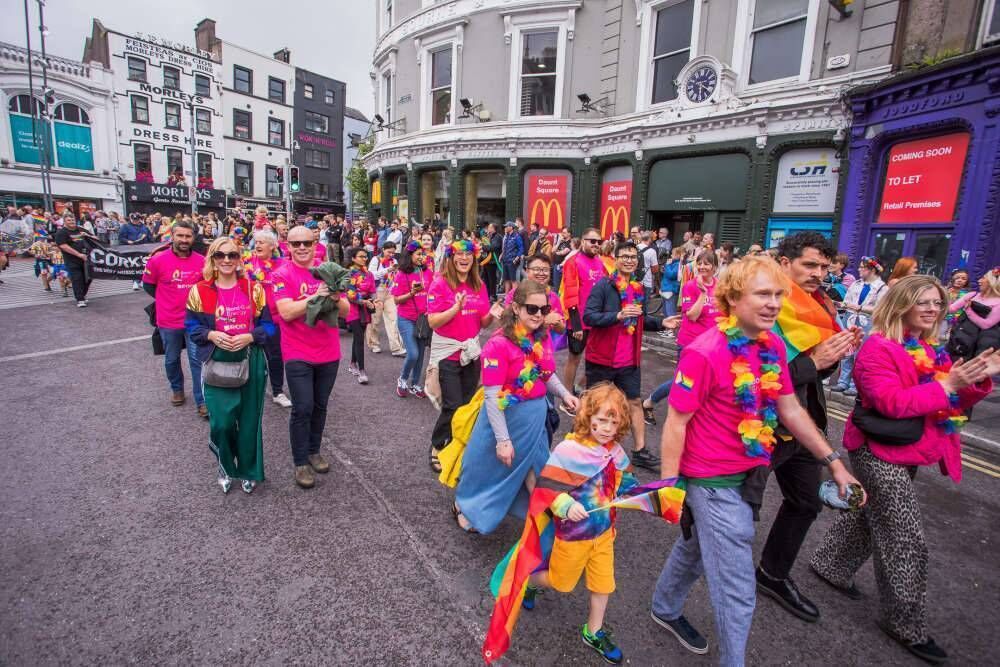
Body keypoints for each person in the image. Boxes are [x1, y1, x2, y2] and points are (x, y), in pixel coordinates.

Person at [650, 256, 865, 666]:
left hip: (749, 473)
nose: (773, 304)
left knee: (696, 548)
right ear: (733, 298)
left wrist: (833, 462)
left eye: (778, 295)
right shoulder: (703, 352)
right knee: (737, 588)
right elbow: (676, 423)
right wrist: (668, 487)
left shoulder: (773, 345)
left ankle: (664, 606)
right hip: (710, 483)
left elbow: (791, 409)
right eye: (762, 294)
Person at [811, 275, 997, 665]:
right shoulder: (878, 348)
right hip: (878, 453)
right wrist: (947, 384)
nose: (932, 310)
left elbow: (952, 395)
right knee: (905, 538)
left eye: (937, 303)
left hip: (909, 451)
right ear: (901, 305)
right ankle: (905, 622)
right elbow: (890, 403)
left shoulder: (929, 348)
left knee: (870, 517)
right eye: (923, 302)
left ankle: (830, 564)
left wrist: (976, 377)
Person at [485, 383, 636, 665]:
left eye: (613, 422)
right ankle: (526, 581)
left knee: (603, 585)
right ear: (588, 416)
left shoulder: (615, 451)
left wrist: (643, 494)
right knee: (561, 583)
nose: (606, 428)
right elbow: (546, 490)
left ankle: (593, 631)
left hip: (603, 535)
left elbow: (625, 481)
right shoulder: (569, 450)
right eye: (601, 420)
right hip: (573, 537)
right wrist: (566, 505)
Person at [756, 232, 860, 623]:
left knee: (805, 502)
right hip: (762, 427)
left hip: (803, 423)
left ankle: (772, 574)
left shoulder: (818, 307)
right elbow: (754, 374)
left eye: (823, 266)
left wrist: (833, 355)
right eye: (810, 265)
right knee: (734, 510)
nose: (819, 273)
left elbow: (816, 371)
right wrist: (812, 363)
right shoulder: (764, 302)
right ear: (785, 263)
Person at [453, 281, 579, 533]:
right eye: (532, 309)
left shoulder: (540, 338)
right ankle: (464, 505)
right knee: (484, 468)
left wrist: (566, 395)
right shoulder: (498, 345)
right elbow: (491, 396)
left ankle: (547, 527)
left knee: (537, 471)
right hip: (503, 417)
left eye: (544, 310)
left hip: (533, 420)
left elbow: (546, 374)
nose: (538, 315)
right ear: (516, 308)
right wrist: (502, 440)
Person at [186, 237, 274, 494]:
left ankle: (248, 470)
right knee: (222, 423)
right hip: (216, 361)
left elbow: (269, 327)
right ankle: (225, 466)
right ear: (212, 259)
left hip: (251, 360)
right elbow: (192, 327)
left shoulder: (254, 289)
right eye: (220, 255)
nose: (226, 260)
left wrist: (251, 336)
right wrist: (211, 335)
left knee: (248, 423)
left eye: (232, 255)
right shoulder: (199, 290)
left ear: (239, 259)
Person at [583, 241, 678, 470]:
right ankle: (587, 450)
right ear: (615, 259)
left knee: (635, 402)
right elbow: (589, 317)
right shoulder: (603, 286)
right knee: (596, 404)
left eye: (633, 257)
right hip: (602, 359)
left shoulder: (637, 289)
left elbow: (641, 318)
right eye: (624, 256)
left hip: (629, 360)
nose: (629, 260)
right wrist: (617, 315)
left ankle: (640, 451)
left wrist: (660, 322)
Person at [273, 225, 350, 489]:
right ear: (288, 246)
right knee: (302, 407)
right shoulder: (281, 274)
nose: (302, 247)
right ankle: (300, 462)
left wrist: (335, 296)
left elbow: (346, 311)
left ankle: (314, 451)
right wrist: (315, 296)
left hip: (328, 351)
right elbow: (286, 312)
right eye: (296, 244)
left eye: (307, 242)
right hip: (297, 352)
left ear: (315, 243)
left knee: (320, 405)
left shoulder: (327, 269)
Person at [427, 239, 503, 473]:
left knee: (467, 404)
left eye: (468, 255)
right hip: (448, 354)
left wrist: (493, 314)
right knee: (452, 405)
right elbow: (432, 321)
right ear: (451, 257)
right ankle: (437, 446)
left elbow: (481, 323)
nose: (464, 258)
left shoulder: (478, 285)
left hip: (471, 353)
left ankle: (457, 445)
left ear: (474, 259)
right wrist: (454, 309)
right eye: (459, 254)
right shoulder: (440, 284)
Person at [143, 220, 208, 415]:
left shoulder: (201, 261)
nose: (184, 240)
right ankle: (177, 389)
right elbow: (149, 286)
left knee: (197, 361)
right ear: (172, 236)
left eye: (188, 236)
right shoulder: (157, 260)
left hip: (194, 322)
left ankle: (202, 401)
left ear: (193, 238)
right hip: (168, 321)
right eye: (180, 235)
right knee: (171, 359)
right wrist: (166, 300)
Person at [560, 228, 610, 400]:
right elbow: (570, 293)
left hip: (598, 321)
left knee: (598, 359)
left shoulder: (601, 263)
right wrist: (575, 324)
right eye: (592, 241)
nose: (596, 244)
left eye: (599, 242)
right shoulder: (573, 262)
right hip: (579, 321)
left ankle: (580, 387)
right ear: (583, 241)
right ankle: (567, 396)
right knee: (574, 358)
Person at [244, 229, 292, 408]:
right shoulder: (247, 261)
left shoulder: (283, 264)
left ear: (273, 246)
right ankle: (248, 386)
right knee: (249, 350)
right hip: (250, 314)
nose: (257, 245)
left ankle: (278, 391)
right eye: (256, 242)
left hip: (272, 316)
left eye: (262, 242)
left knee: (274, 353)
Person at [832, 256, 887, 395]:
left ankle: (854, 385)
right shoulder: (856, 283)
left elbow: (879, 308)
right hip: (850, 320)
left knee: (860, 355)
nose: (859, 269)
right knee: (847, 351)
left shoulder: (882, 288)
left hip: (868, 323)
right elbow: (847, 301)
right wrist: (844, 305)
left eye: (862, 267)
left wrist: (858, 307)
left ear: (872, 269)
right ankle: (842, 382)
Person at [392, 241, 434, 397]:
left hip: (423, 320)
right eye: (418, 254)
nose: (421, 257)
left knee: (421, 354)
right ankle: (402, 379)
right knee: (413, 354)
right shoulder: (402, 274)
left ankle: (415, 383)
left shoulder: (427, 272)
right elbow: (396, 300)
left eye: (422, 254)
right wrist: (411, 293)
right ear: (409, 256)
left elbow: (433, 293)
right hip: (406, 318)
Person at [947, 267, 1000, 360]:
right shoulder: (972, 295)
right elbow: (951, 309)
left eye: (983, 278)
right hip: (960, 337)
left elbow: (986, 324)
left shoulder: (998, 302)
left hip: (980, 344)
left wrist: (968, 310)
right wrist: (946, 297)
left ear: (992, 282)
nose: (979, 281)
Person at [675, 249, 720, 349]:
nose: (702, 267)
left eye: (706, 264)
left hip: (711, 343)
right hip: (691, 343)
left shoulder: (720, 286)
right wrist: (703, 293)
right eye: (699, 264)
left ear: (715, 267)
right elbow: (692, 316)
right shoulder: (689, 286)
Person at [367, 241, 405, 357]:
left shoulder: (394, 261)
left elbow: (397, 276)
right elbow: (371, 275)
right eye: (389, 252)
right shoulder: (376, 259)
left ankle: (396, 348)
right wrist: (387, 270)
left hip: (390, 292)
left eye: (393, 253)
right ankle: (374, 344)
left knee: (393, 320)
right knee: (375, 320)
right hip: (377, 291)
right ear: (383, 249)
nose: (391, 255)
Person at [345, 246, 376, 384]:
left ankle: (352, 364)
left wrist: (375, 300)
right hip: (352, 308)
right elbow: (350, 294)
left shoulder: (369, 274)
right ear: (353, 258)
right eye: (361, 256)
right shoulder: (349, 274)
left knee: (358, 337)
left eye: (365, 256)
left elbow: (373, 290)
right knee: (359, 338)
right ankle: (362, 371)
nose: (365, 259)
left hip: (365, 309)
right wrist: (363, 301)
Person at [54, 214, 95, 308]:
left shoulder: (80, 229)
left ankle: (82, 295)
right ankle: (80, 299)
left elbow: (96, 239)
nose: (72, 222)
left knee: (89, 277)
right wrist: (78, 254)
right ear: (64, 221)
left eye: (73, 220)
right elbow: (63, 246)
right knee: (77, 278)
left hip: (86, 259)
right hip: (72, 260)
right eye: (69, 220)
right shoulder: (61, 232)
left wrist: (87, 235)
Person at [501, 222, 524, 293]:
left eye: (507, 226)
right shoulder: (506, 236)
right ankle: (506, 296)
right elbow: (504, 248)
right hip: (505, 261)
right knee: (506, 279)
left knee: (513, 280)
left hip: (512, 261)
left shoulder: (517, 236)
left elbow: (521, 248)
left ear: (511, 227)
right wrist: (501, 255)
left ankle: (514, 297)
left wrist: (517, 258)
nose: (505, 228)